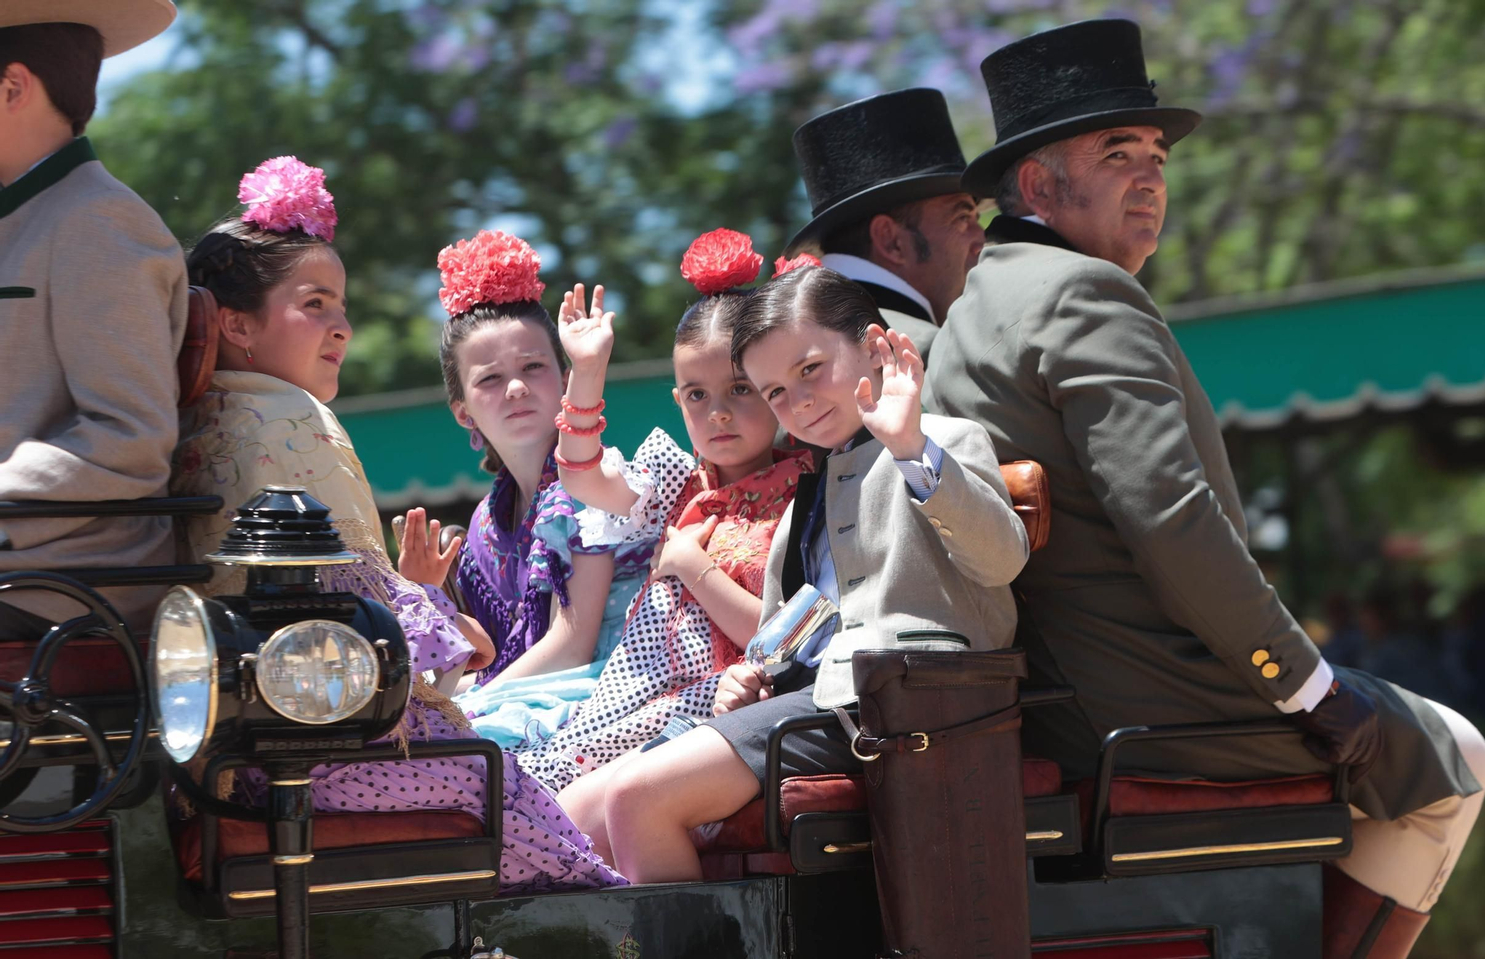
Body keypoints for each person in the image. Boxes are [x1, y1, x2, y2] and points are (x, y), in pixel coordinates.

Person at [923, 20, 1485, 954]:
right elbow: (1174, 521)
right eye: (1117, 153)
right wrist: (1304, 685)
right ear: (1036, 183)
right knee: (1456, 756)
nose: (1152, 178)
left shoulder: (971, 312)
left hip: (1061, 703)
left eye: (1156, 155)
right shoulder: (1083, 293)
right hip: (1155, 705)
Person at [170, 157, 621, 894]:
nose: (342, 325)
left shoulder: (202, 418)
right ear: (234, 323)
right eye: (314, 304)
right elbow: (369, 622)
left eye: (536, 369)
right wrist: (434, 629)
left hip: (237, 744)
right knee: (520, 801)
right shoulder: (293, 419)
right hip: (323, 739)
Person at [569, 264, 1029, 882]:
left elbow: (1001, 559)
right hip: (822, 707)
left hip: (916, 703)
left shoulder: (942, 441)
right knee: (576, 814)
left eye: (809, 369)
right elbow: (791, 634)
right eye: (776, 392)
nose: (799, 401)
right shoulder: (810, 495)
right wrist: (753, 679)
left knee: (638, 796)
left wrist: (910, 448)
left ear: (874, 347)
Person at [496, 228, 810, 794]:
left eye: (740, 389)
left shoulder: (809, 492)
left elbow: (780, 640)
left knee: (554, 793)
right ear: (677, 400)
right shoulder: (672, 482)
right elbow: (583, 476)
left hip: (728, 709)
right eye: (697, 394)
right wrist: (587, 372)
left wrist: (694, 567)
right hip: (633, 700)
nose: (717, 413)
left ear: (775, 386)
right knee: (514, 775)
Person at [401, 229, 646, 750]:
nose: (515, 387)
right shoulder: (486, 524)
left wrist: (464, 707)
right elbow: (490, 656)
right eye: (489, 379)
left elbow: (573, 644)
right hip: (527, 695)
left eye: (533, 367)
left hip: (606, 691)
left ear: (564, 378)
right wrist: (423, 599)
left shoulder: (587, 485)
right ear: (462, 409)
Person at [0, 1, 186, 635]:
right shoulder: (30, 219)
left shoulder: (99, 221)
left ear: (11, 87)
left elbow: (128, 437)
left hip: (66, 583)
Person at [785, 89, 984, 361]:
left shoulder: (789, 345)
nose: (981, 240)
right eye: (962, 218)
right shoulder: (919, 353)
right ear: (892, 241)